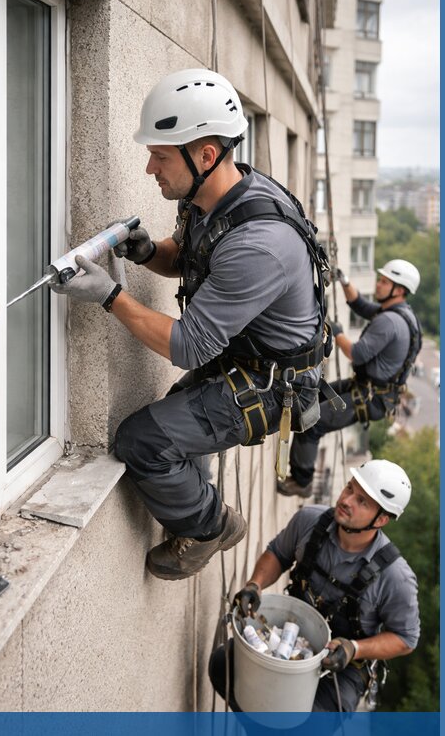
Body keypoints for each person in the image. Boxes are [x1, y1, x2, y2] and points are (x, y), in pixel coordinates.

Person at [51, 68, 331, 580]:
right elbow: (186, 256)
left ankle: (210, 527)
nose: (148, 167)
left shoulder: (260, 243)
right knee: (173, 423)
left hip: (272, 385)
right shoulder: (214, 195)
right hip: (244, 356)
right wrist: (148, 252)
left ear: (205, 155)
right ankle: (196, 508)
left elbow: (189, 346)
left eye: (160, 155)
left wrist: (110, 295)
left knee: (143, 440)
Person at [209, 459, 420, 712]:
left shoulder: (395, 576)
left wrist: (354, 648)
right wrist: (255, 585)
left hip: (342, 666)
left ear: (382, 519)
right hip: (295, 635)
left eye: (362, 501)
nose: (346, 500)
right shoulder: (310, 521)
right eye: (350, 489)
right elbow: (278, 553)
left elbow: (405, 638)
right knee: (223, 666)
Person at [278, 260, 422, 498]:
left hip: (369, 397)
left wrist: (337, 331)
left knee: (312, 422)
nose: (378, 283)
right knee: (312, 394)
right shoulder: (401, 313)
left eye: (385, 281)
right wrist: (344, 281)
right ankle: (281, 417)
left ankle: (302, 482)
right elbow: (361, 306)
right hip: (368, 390)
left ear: (399, 290)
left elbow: (355, 354)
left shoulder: (390, 321)